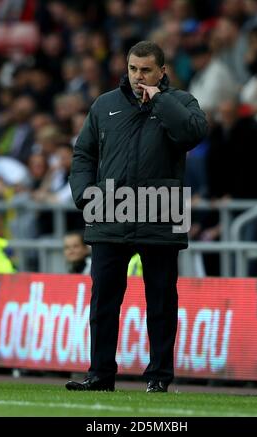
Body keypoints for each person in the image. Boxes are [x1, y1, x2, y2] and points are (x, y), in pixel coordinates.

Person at [66, 41, 207, 393]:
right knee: (103, 303)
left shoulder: (181, 103)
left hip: (162, 210)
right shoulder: (104, 105)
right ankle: (99, 375)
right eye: (133, 69)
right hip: (109, 211)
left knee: (161, 301)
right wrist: (85, 195)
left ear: (162, 71)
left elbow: (192, 133)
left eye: (145, 70)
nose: (137, 76)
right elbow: (83, 154)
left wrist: (159, 99)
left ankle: (159, 377)